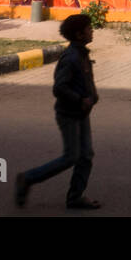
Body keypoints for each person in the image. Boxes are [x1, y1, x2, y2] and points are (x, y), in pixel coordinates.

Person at [15, 13, 101, 210]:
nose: (92, 31)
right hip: (69, 114)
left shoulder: (81, 53)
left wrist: (91, 97)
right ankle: (27, 178)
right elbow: (59, 88)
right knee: (71, 157)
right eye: (89, 28)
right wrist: (80, 99)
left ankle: (75, 197)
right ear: (79, 35)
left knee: (86, 155)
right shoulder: (71, 58)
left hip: (81, 113)